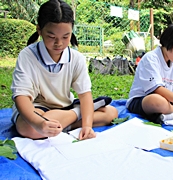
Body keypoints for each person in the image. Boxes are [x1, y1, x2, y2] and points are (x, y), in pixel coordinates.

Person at [11, 0, 118, 140]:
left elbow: (85, 94)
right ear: (39, 30)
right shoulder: (27, 56)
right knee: (29, 128)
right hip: (38, 109)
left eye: (65, 36)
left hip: (65, 107)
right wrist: (38, 124)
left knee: (111, 112)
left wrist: (87, 126)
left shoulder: (76, 58)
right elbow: (21, 97)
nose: (59, 43)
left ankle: (63, 125)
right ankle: (75, 116)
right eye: (51, 36)